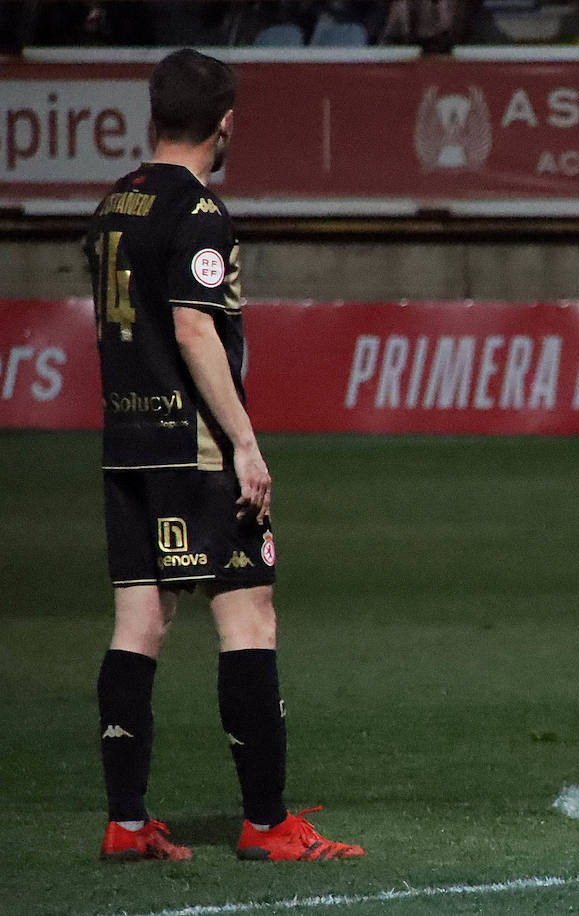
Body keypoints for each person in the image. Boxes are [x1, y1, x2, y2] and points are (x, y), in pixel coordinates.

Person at [85, 48, 363, 862]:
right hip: (194, 447)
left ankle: (127, 823)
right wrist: (245, 443)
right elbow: (195, 327)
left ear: (152, 114)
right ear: (226, 122)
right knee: (247, 612)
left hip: (126, 445)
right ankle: (269, 824)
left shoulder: (112, 203)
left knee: (138, 620)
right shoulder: (199, 212)